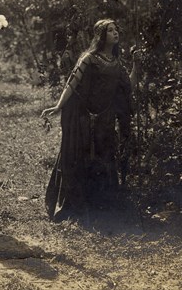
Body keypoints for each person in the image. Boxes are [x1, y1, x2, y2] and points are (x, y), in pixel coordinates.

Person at [41, 19, 137, 221]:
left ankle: (100, 205)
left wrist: (138, 64)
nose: (115, 33)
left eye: (116, 30)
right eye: (110, 30)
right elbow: (72, 83)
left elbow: (128, 87)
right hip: (84, 117)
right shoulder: (89, 58)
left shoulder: (117, 64)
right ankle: (77, 205)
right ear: (101, 36)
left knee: (104, 158)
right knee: (81, 156)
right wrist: (58, 106)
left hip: (105, 119)